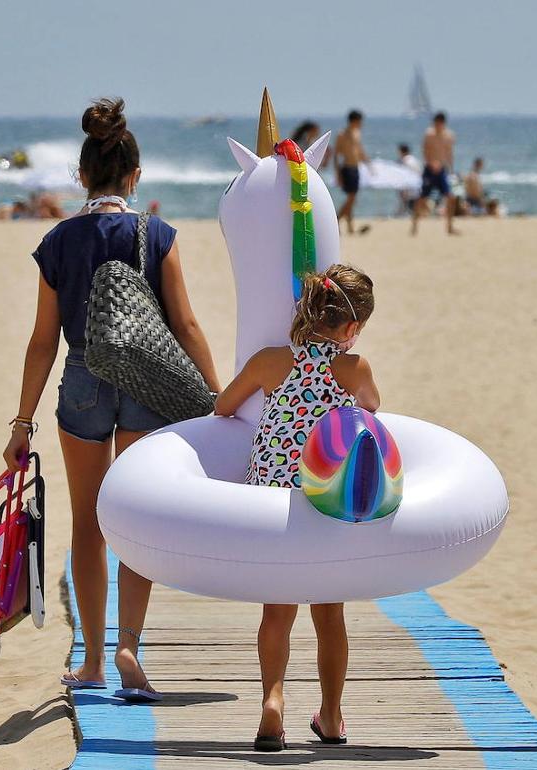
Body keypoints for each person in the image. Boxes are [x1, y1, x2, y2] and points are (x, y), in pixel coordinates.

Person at [3, 98, 222, 701]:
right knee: (137, 521)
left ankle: (95, 661)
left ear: (81, 175)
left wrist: (22, 421)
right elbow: (186, 325)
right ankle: (130, 645)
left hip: (82, 380)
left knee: (88, 521)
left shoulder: (58, 242)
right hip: (149, 380)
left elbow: (42, 340)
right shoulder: (157, 234)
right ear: (135, 176)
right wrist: (217, 394)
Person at [214, 264, 380, 752]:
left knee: (277, 611)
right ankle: (330, 716)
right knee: (330, 615)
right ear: (351, 329)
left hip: (270, 503)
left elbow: (225, 405)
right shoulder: (353, 369)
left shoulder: (270, 361)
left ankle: (272, 700)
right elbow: (373, 406)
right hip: (322, 499)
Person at [411, 112, 459, 235]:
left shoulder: (449, 135)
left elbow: (449, 153)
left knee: (450, 197)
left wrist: (451, 169)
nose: (436, 125)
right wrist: (431, 163)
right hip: (429, 170)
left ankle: (450, 227)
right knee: (422, 198)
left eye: (439, 123)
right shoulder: (429, 134)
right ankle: (414, 227)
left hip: (442, 170)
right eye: (435, 123)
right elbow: (425, 151)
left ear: (443, 123)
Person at [333, 110, 370, 235]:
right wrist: (338, 173)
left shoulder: (357, 133)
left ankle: (350, 227)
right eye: (360, 121)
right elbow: (336, 155)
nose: (361, 123)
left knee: (352, 199)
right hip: (347, 168)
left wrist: (368, 163)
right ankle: (337, 219)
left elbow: (359, 150)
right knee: (351, 198)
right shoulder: (341, 134)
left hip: (356, 168)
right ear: (354, 121)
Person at [397, 144, 421, 214]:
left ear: (401, 151)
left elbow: (404, 175)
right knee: (413, 206)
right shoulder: (415, 160)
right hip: (417, 186)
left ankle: (400, 215)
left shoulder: (404, 160)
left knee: (407, 205)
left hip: (408, 186)